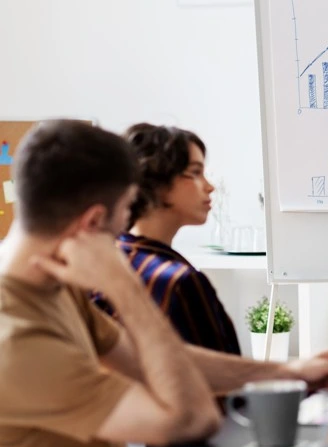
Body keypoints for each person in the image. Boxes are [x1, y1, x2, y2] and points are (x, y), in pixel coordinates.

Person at [0, 120, 328, 447]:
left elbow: (157, 359)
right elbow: (195, 420)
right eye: (126, 210)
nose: (126, 226)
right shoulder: (14, 338)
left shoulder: (51, 285)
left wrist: (289, 371)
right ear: (92, 222)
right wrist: (125, 288)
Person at [93, 123, 239, 356]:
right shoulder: (179, 282)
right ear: (156, 183)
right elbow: (223, 383)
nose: (210, 187)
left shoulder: (102, 262)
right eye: (195, 173)